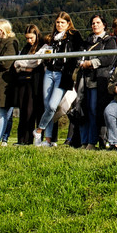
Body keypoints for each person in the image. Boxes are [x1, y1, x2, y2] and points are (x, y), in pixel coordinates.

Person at [34, 12, 82, 147]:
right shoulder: (53, 38)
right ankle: (48, 140)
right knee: (46, 106)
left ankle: (39, 130)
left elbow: (80, 50)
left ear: (68, 23)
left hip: (63, 74)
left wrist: (75, 65)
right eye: (57, 22)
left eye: (62, 22)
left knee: (52, 106)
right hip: (49, 72)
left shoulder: (74, 35)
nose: (59, 25)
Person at [77, 15, 117, 149]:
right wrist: (82, 63)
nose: (95, 25)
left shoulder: (110, 40)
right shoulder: (87, 41)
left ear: (104, 25)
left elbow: (109, 58)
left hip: (99, 80)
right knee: (85, 110)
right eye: (93, 23)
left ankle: (93, 141)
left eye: (98, 23)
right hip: (85, 80)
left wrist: (91, 63)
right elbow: (79, 56)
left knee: (95, 111)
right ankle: (85, 141)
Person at [14, 25, 44, 145]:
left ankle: (34, 138)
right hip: (23, 81)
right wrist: (26, 65)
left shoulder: (42, 46)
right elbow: (16, 63)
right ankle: (22, 139)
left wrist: (23, 65)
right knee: (24, 109)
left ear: (36, 35)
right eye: (27, 38)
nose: (29, 41)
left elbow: (36, 62)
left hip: (36, 82)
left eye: (31, 38)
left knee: (33, 110)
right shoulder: (26, 47)